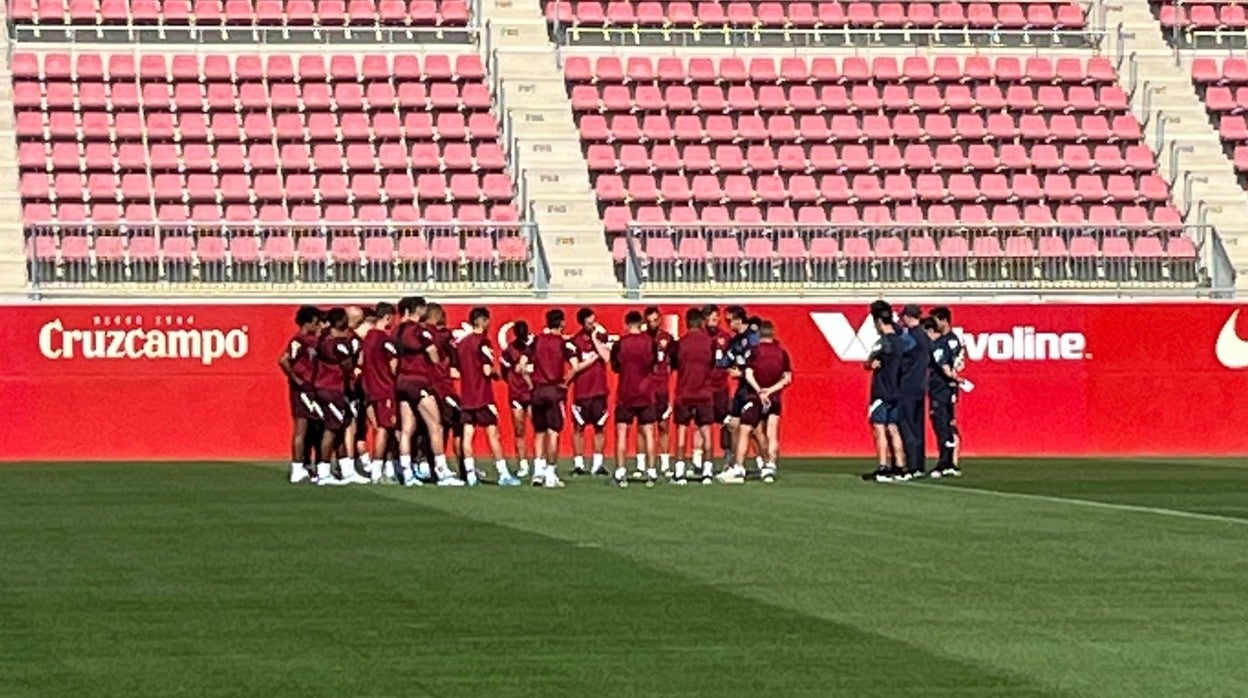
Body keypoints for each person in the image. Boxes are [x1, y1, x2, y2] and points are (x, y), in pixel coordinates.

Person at [395, 297, 463, 486]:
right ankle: (442, 472)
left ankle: (407, 472)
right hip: (419, 381)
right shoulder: (420, 331)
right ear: (416, 309)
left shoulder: (397, 331)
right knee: (436, 426)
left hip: (401, 381)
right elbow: (433, 355)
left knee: (407, 429)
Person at [455, 307, 522, 487]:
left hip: (467, 396)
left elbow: (455, 370)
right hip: (482, 395)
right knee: (493, 434)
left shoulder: (461, 344)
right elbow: (486, 369)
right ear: (483, 321)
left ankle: (470, 475)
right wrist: (494, 373)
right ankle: (503, 473)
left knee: (467, 435)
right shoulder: (483, 342)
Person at [312, 307, 368, 486]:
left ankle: (346, 470)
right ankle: (324, 472)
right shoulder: (334, 343)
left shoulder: (325, 338)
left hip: (332, 388)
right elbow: (347, 365)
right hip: (332, 388)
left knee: (340, 427)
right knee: (331, 430)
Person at [862, 303, 914, 482]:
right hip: (898, 390)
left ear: (878, 321)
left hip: (882, 390)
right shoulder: (902, 341)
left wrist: (871, 364)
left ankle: (883, 467)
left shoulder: (882, 341)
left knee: (879, 428)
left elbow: (869, 361)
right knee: (894, 428)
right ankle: (900, 467)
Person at [735, 320, 792, 484]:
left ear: (760, 334)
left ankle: (739, 468)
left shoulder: (755, 351)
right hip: (773, 397)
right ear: (773, 334)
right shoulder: (782, 353)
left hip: (755, 396)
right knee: (772, 432)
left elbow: (748, 374)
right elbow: (787, 379)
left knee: (745, 429)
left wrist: (760, 390)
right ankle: (770, 466)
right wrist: (771, 390)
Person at [528, 309, 577, 488]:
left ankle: (537, 472)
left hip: (538, 390)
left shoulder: (537, 340)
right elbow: (575, 366)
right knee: (553, 432)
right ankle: (550, 473)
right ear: (562, 323)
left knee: (539, 432)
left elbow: (523, 365)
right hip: (554, 389)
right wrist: (565, 382)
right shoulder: (563, 343)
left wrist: (530, 382)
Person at [611, 310, 659, 487]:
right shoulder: (650, 343)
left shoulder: (620, 344)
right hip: (645, 392)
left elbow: (616, 367)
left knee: (622, 433)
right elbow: (653, 365)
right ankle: (652, 471)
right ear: (641, 324)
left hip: (626, 393)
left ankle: (621, 471)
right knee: (648, 432)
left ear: (626, 325)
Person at [672, 307, 717, 485]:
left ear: (687, 322)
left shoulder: (681, 343)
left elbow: (675, 364)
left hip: (684, 392)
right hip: (704, 392)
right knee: (706, 432)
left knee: (682, 432)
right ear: (702, 322)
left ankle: (680, 471)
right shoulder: (709, 342)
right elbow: (713, 364)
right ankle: (707, 471)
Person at [278, 305, 323, 484]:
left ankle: (306, 465)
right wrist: (296, 378)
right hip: (304, 389)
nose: (318, 325)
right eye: (316, 322)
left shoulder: (311, 340)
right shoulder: (300, 340)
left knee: (313, 428)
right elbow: (283, 359)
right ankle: (297, 468)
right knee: (302, 428)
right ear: (308, 322)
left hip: (311, 388)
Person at [719, 306, 763, 482]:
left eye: (730, 320)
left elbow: (758, 363)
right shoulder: (735, 341)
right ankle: (737, 466)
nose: (728, 324)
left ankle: (765, 463)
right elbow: (725, 361)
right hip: (742, 389)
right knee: (734, 425)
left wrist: (743, 371)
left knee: (756, 430)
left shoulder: (753, 338)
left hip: (753, 388)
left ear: (739, 319)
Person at [359, 302, 400, 484]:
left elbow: (360, 361)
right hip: (384, 389)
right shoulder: (385, 340)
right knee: (385, 429)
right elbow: (393, 367)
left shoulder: (367, 338)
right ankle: (377, 471)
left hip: (369, 388)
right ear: (388, 317)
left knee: (380, 428)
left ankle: (387, 468)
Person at [569, 307, 611, 477]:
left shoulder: (602, 337)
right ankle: (579, 464)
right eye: (589, 323)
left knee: (600, 427)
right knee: (579, 427)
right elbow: (575, 367)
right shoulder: (574, 341)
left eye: (594, 321)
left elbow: (607, 358)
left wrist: (595, 340)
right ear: (582, 323)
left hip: (599, 390)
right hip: (582, 391)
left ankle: (598, 464)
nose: (592, 325)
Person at [927, 307, 964, 478]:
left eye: (935, 320)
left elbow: (955, 364)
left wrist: (953, 377)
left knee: (944, 425)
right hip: (944, 387)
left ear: (943, 320)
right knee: (946, 424)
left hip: (944, 389)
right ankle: (951, 462)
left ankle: (947, 462)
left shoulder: (948, 341)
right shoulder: (950, 341)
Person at [898, 304, 932, 478]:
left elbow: (900, 356)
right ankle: (919, 465)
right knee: (918, 428)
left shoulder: (910, 337)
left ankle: (912, 466)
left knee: (908, 427)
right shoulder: (925, 337)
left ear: (908, 317)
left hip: (907, 386)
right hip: (920, 386)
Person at [500, 320, 535, 479]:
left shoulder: (534, 347)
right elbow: (504, 373)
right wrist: (516, 382)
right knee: (519, 429)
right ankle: (523, 463)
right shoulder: (508, 351)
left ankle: (540, 462)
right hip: (517, 394)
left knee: (538, 428)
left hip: (533, 393)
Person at [643, 306, 675, 476]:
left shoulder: (667, 338)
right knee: (644, 426)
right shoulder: (642, 339)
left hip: (661, 386)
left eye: (655, 320)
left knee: (663, 425)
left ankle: (664, 462)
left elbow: (673, 363)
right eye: (649, 320)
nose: (652, 323)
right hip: (646, 388)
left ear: (660, 319)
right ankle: (643, 464)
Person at [703, 304, 732, 462]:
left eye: (716, 317)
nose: (714, 320)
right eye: (711, 318)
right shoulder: (700, 337)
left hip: (721, 386)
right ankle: (698, 460)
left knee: (726, 421)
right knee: (701, 423)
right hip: (704, 387)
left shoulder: (725, 337)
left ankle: (728, 455)